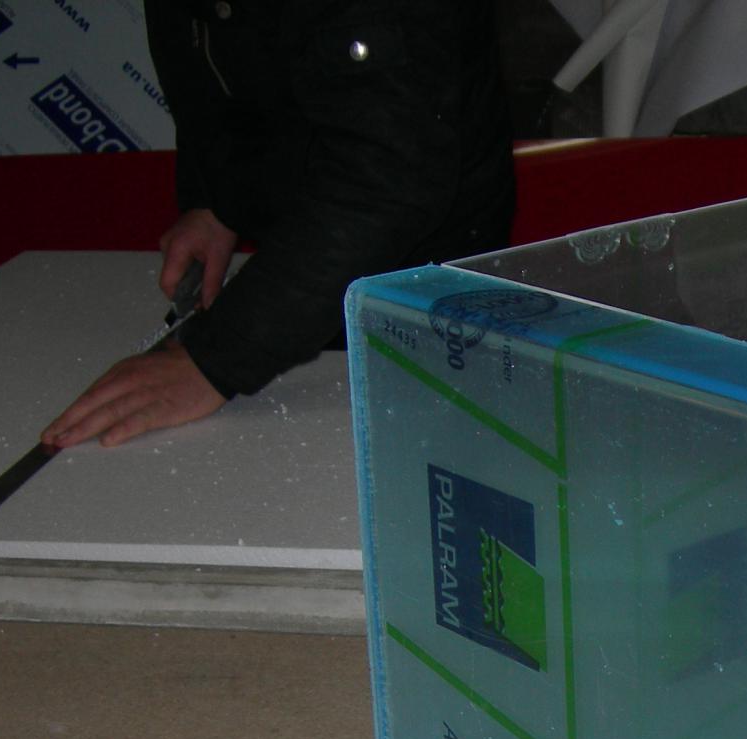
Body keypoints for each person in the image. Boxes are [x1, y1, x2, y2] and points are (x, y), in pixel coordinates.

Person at [43, 0, 514, 450]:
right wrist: (213, 198)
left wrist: (216, 360)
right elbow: (209, 50)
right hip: (315, 250)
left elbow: (389, 181)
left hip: (419, 271)